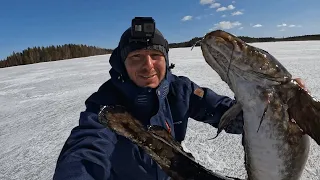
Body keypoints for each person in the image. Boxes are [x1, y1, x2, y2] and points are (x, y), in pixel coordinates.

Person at [52, 18, 306, 180]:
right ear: (123, 64)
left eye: (155, 55)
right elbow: (86, 148)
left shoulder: (179, 90)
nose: (147, 66)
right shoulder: (103, 102)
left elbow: (223, 113)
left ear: (165, 58)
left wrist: (277, 112)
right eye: (136, 57)